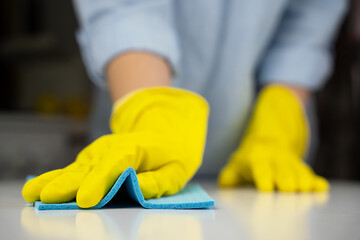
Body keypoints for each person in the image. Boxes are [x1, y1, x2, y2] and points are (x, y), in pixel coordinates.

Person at [22, 0, 347, 208]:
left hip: (256, 169)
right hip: (137, 158)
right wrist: (152, 111)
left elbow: (307, 24)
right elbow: (126, 10)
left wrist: (279, 115)